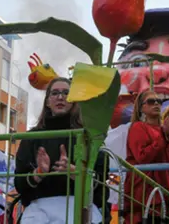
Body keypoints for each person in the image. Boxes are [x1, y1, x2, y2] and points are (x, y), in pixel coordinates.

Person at [14, 77, 108, 223]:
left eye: (66, 93)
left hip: (79, 205)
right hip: (40, 209)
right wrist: (39, 172)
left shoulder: (89, 137)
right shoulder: (31, 138)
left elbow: (102, 181)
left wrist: (77, 173)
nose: (60, 97)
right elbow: (20, 183)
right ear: (47, 101)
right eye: (55, 93)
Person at [122, 90, 169, 224]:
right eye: (151, 101)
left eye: (159, 101)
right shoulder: (138, 127)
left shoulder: (166, 132)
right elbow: (143, 157)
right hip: (148, 197)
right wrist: (164, 135)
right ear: (142, 108)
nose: (156, 104)